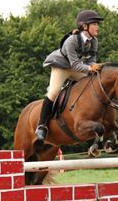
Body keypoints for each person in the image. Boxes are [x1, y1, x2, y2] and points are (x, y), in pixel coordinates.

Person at [35, 10, 105, 141]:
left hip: (77, 66)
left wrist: (94, 67)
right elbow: (75, 65)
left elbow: (90, 61)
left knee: (91, 83)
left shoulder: (94, 41)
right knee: (54, 91)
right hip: (61, 66)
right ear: (85, 26)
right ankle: (41, 125)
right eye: (95, 23)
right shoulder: (71, 41)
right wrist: (90, 68)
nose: (97, 26)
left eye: (97, 24)